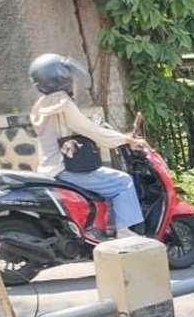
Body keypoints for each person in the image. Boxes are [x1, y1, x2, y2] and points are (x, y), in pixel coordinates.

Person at [27, 53, 146, 237]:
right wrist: (126, 140)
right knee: (122, 182)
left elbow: (74, 130)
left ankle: (108, 226)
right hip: (65, 168)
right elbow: (89, 130)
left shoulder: (40, 105)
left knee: (107, 183)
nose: (74, 81)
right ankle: (123, 230)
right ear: (60, 77)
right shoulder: (62, 103)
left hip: (49, 169)